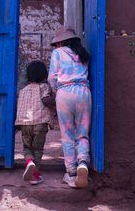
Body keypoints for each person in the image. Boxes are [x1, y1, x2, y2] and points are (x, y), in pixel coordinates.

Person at [48, 26, 91, 188]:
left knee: (67, 134)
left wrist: (54, 91)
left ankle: (72, 172)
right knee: (82, 133)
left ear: (61, 42)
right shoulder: (83, 54)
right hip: (84, 93)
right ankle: (83, 163)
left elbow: (52, 77)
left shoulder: (57, 53)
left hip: (65, 93)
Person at [15, 60, 55, 185]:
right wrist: (56, 98)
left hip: (25, 124)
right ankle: (34, 175)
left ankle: (29, 163)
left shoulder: (23, 90)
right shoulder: (44, 87)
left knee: (27, 147)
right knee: (37, 150)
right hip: (40, 123)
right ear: (44, 75)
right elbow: (46, 101)